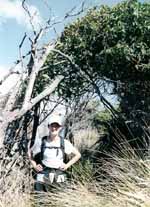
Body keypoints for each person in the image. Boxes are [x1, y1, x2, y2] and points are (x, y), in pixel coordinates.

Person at [28, 115, 81, 192]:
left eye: (56, 126)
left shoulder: (64, 142)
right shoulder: (42, 141)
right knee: (40, 199)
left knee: (58, 199)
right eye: (52, 126)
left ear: (60, 128)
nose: (54, 128)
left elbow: (78, 155)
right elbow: (30, 152)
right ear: (48, 127)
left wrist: (67, 166)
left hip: (59, 174)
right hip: (43, 173)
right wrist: (35, 166)